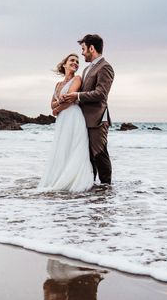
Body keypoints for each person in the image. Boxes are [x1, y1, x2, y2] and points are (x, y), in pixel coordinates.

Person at [58, 34, 114, 184]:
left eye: (83, 49)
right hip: (84, 120)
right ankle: (91, 188)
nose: (82, 53)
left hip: (97, 119)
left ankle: (106, 189)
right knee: (88, 157)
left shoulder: (105, 67)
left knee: (99, 154)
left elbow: (101, 94)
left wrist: (77, 95)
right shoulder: (86, 70)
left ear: (91, 48)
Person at [38, 53, 94, 192]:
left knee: (74, 146)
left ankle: (73, 179)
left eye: (77, 61)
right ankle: (60, 176)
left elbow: (70, 99)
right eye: (72, 60)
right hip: (63, 119)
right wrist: (56, 108)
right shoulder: (58, 84)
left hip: (73, 116)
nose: (75, 63)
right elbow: (51, 104)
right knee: (62, 147)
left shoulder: (77, 79)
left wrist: (56, 110)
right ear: (64, 64)